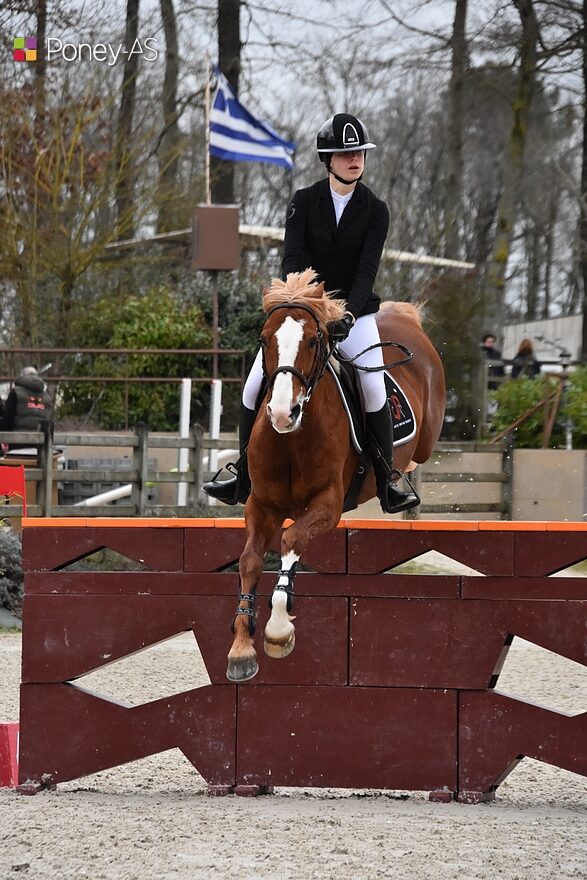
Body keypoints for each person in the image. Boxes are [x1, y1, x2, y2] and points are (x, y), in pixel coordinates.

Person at [204, 112, 417, 514]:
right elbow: (293, 261)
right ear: (328, 159)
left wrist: (348, 314)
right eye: (345, 153)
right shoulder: (303, 202)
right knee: (254, 384)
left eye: (359, 153)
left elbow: (367, 271)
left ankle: (388, 478)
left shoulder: (376, 210)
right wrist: (303, 309)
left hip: (354, 315)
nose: (355, 160)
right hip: (305, 311)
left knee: (373, 388)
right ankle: (242, 473)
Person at [0, 366, 53, 450]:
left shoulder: (15, 393)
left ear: (22, 376)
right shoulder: (47, 397)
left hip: (17, 442)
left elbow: (8, 420)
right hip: (40, 444)